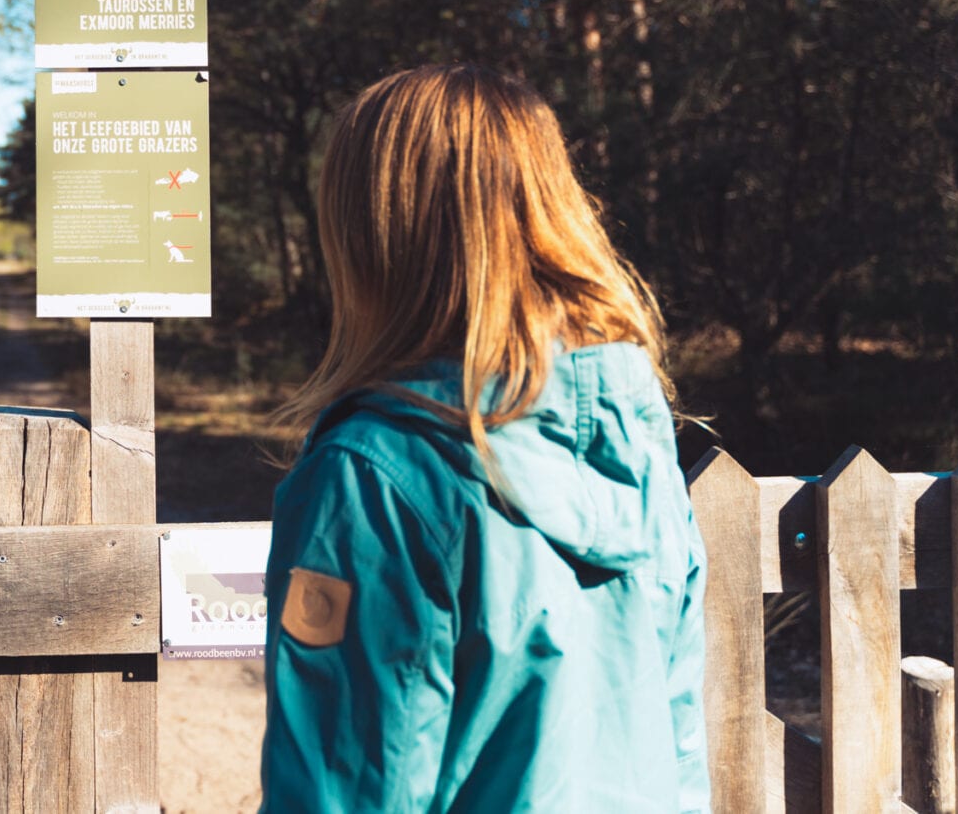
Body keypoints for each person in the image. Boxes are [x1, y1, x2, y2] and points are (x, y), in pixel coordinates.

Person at [260, 65, 707, 813]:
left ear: (374, 235)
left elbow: (344, 791)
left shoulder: (377, 474)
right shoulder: (639, 449)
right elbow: (680, 745)